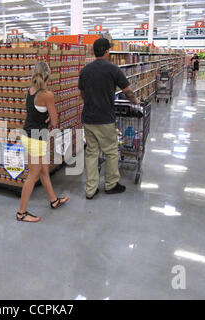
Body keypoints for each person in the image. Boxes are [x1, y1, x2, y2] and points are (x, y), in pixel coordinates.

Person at [78, 37, 140, 200]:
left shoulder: (85, 70)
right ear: (106, 51)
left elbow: (82, 94)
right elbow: (127, 91)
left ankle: (90, 189)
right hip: (105, 118)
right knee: (111, 152)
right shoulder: (113, 69)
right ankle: (111, 184)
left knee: (92, 153)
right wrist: (136, 102)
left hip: (88, 118)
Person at [17, 62, 69, 223]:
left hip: (27, 134)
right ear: (48, 75)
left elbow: (35, 113)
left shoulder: (30, 91)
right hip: (36, 139)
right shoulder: (47, 95)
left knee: (43, 171)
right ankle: (21, 213)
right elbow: (54, 120)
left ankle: (53, 200)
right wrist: (50, 120)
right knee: (33, 175)